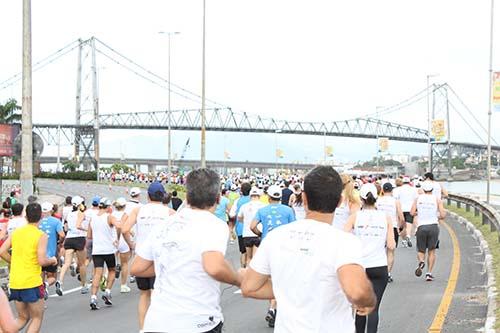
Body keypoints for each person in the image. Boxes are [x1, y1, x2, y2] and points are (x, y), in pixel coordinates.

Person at [241, 166, 376, 333]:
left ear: (304, 198)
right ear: (339, 202)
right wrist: (369, 300)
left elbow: (249, 287)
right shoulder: (344, 242)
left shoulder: (275, 237)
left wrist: (288, 288)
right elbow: (358, 292)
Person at [131, 168, 243, 333]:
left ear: (187, 197)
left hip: (157, 322)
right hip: (197, 322)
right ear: (218, 198)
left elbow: (137, 268)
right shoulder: (215, 224)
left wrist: (174, 264)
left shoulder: (165, 224)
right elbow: (214, 266)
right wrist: (239, 280)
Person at [344, 183, 396, 333]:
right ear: (377, 197)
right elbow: (391, 245)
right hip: (379, 266)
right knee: (374, 308)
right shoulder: (385, 217)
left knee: (360, 308)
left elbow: (343, 236)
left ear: (361, 199)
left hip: (360, 267)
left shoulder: (355, 216)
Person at [0, 203, 58, 333]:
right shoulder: (40, 235)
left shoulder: (17, 233)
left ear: (26, 216)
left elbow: (2, 251)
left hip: (15, 281)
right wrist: (53, 260)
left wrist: (13, 261)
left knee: (22, 317)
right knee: (37, 317)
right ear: (41, 216)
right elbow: (42, 260)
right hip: (32, 281)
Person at [123, 182, 173, 331]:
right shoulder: (170, 213)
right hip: (161, 259)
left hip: (141, 258)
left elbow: (125, 228)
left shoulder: (139, 210)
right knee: (159, 295)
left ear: (147, 195)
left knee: (144, 294)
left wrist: (132, 244)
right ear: (163, 195)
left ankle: (143, 329)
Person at [250, 184, 296, 327]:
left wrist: (260, 234)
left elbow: (252, 226)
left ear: (269, 197)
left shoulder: (262, 210)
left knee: (271, 280)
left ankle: (272, 308)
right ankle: (276, 309)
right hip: (285, 248)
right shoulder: (288, 210)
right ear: (280, 197)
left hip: (267, 247)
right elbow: (294, 228)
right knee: (282, 279)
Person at [88, 198, 120, 310]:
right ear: (108, 207)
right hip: (108, 249)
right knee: (112, 270)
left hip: (97, 250)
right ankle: (107, 291)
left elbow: (89, 236)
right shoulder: (109, 217)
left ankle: (93, 297)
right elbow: (118, 225)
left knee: (97, 273)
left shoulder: (93, 218)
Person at [411, 181, 446, 282]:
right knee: (432, 251)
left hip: (421, 227)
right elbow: (443, 215)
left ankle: (421, 261)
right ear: (432, 190)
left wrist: (420, 212)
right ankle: (429, 273)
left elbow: (412, 212)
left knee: (421, 250)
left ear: (423, 189)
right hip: (433, 226)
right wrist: (436, 214)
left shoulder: (418, 199)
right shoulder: (437, 199)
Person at [56, 196, 89, 296]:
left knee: (66, 263)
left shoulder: (69, 214)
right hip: (79, 238)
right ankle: (84, 285)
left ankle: (60, 281)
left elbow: (65, 226)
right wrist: (87, 230)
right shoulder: (82, 213)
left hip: (69, 238)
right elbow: (80, 225)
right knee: (82, 264)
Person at [375, 183, 404, 283]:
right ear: (392, 190)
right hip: (392, 227)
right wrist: (400, 227)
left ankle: (380, 272)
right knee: (390, 251)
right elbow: (401, 216)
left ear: (383, 190)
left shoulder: (378, 200)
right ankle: (387, 273)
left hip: (379, 227)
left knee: (380, 251)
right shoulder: (396, 201)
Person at [38, 202, 65, 299]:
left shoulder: (37, 222)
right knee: (52, 277)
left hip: (38, 254)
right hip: (51, 254)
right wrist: (59, 241)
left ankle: (41, 298)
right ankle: (46, 284)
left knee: (39, 278)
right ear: (51, 210)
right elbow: (62, 235)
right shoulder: (56, 221)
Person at [238, 187, 265, 267]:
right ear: (259, 196)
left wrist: (246, 222)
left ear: (250, 196)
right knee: (256, 259)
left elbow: (239, 218)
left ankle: (246, 274)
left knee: (249, 258)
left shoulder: (244, 206)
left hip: (246, 233)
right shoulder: (263, 206)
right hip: (258, 233)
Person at [229, 182, 251, 268]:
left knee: (243, 252)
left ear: (241, 191)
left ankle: (242, 270)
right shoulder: (254, 200)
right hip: (253, 230)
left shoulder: (238, 201)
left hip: (241, 230)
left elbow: (231, 214)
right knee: (251, 254)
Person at [112, 198, 132, 293]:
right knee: (125, 263)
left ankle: (106, 282)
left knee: (110, 263)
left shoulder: (111, 215)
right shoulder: (126, 215)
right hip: (122, 240)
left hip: (112, 240)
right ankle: (123, 285)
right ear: (124, 206)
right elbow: (125, 228)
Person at [394, 176, 418, 247]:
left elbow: (395, 198)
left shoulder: (398, 189)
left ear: (402, 182)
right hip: (410, 209)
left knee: (402, 225)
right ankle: (408, 236)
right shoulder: (413, 189)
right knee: (409, 224)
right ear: (409, 182)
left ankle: (404, 240)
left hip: (400, 209)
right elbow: (416, 199)